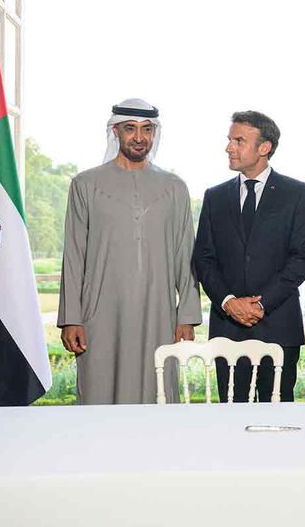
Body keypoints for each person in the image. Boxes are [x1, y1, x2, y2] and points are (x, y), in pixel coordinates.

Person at [57, 98, 201, 404]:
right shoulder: (85, 184)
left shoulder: (174, 187)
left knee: (158, 390)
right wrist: (72, 318)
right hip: (100, 313)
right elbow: (73, 256)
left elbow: (185, 255)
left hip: (159, 314)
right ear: (115, 132)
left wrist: (185, 316)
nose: (139, 137)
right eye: (130, 129)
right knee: (99, 390)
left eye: (147, 129)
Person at [194, 110, 305, 402]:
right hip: (228, 327)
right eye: (229, 140)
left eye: (239, 140)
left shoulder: (297, 193)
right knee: (231, 415)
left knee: (279, 414)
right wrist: (228, 302)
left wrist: (261, 304)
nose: (229, 147)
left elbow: (301, 258)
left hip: (278, 326)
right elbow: (204, 258)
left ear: (265, 148)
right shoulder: (215, 196)